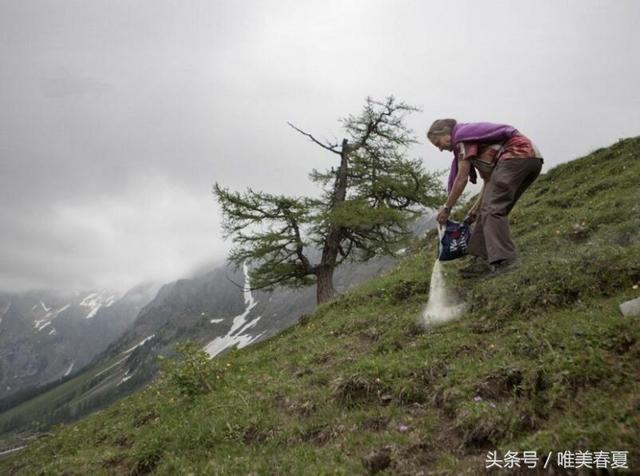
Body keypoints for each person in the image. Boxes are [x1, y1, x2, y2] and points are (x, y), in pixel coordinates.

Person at [427, 119, 543, 277]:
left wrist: (447, 208)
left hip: (517, 155)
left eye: (437, 143)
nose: (440, 149)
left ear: (446, 133)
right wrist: (474, 210)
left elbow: (461, 179)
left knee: (492, 209)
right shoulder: (474, 144)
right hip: (530, 160)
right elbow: (489, 181)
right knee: (487, 210)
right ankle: (482, 261)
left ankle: (507, 260)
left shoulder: (462, 139)